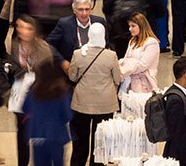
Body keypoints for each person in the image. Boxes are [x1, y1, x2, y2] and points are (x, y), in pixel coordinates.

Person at [68, 23, 121, 166]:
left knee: (80, 141)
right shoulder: (111, 56)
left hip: (81, 104)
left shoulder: (78, 54)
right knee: (100, 143)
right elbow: (118, 78)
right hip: (105, 105)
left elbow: (72, 77)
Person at [9, 15, 56, 166]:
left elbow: (49, 75)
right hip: (20, 96)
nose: (23, 31)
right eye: (20, 27)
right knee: (22, 134)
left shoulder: (42, 48)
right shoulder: (15, 44)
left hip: (39, 97)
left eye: (28, 28)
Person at [22, 61, 72, 166]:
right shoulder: (61, 92)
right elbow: (67, 115)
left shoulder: (34, 90)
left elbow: (25, 108)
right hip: (56, 135)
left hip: (37, 134)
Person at [47, 0, 106, 71]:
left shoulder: (99, 22)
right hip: (72, 66)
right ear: (74, 10)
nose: (84, 13)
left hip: (95, 66)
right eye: (80, 10)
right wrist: (62, 61)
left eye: (87, 9)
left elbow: (106, 43)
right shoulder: (64, 24)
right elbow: (48, 44)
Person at [118, 13, 160, 93]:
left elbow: (142, 66)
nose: (130, 29)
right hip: (129, 84)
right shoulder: (132, 41)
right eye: (129, 26)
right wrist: (129, 64)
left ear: (141, 26)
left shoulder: (152, 43)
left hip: (145, 86)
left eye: (133, 26)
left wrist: (127, 67)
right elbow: (125, 60)